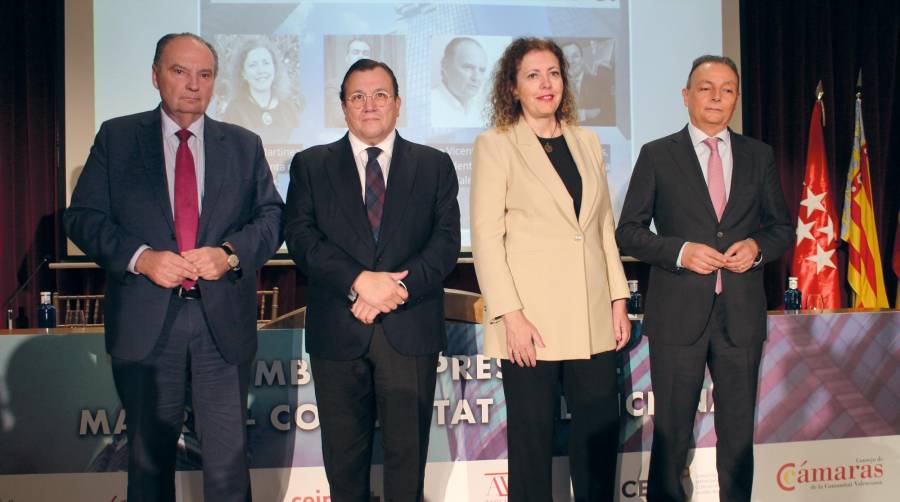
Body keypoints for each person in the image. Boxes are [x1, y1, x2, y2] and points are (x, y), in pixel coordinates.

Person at [65, 33, 284, 501]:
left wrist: (227, 255)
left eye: (204, 75)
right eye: (179, 72)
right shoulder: (118, 138)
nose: (193, 85)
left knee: (228, 469)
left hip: (221, 326)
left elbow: (272, 218)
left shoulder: (244, 145)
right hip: (147, 326)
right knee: (147, 465)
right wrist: (142, 258)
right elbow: (82, 218)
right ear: (155, 76)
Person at [615, 55, 792, 502]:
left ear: (735, 97)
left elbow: (781, 229)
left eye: (727, 88)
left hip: (740, 317)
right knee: (672, 434)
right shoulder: (657, 154)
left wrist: (756, 249)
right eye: (706, 87)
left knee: (737, 438)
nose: (716, 97)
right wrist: (680, 251)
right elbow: (628, 231)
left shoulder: (759, 155)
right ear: (686, 95)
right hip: (678, 316)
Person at [284, 59, 460, 501]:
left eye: (380, 94)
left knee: (407, 464)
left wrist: (396, 289)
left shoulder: (435, 165)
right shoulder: (310, 165)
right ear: (343, 106)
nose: (369, 105)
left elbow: (445, 243)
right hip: (339, 331)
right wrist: (359, 281)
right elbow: (301, 238)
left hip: (410, 329)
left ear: (398, 104)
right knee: (344, 465)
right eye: (357, 96)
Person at [470, 37, 631, 501]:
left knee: (597, 440)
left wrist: (618, 300)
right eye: (533, 75)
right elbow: (486, 237)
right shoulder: (495, 144)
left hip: (592, 316)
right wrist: (509, 315)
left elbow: (601, 227)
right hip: (530, 324)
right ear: (513, 88)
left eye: (554, 73)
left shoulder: (586, 140)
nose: (547, 84)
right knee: (532, 445)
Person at [223, 39, 300, 143]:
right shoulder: (235, 110)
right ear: (243, 73)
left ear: (274, 68)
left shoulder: (289, 108)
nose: (261, 70)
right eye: (253, 65)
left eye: (266, 63)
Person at [431, 37, 489, 127]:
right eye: (468, 67)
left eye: (482, 70)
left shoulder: (482, 110)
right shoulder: (430, 105)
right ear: (446, 66)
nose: (476, 77)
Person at [562, 41, 615, 126]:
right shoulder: (555, 86)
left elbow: (607, 115)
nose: (570, 61)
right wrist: (585, 114)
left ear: (582, 59)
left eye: (575, 56)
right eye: (565, 57)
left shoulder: (599, 83)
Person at [325, 38, 373, 127]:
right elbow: (341, 119)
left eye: (365, 53)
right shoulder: (333, 85)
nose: (361, 56)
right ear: (347, 58)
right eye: (355, 52)